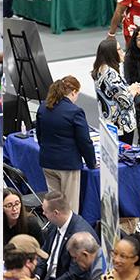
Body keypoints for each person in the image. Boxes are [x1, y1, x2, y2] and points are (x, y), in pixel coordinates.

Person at [36, 76, 96, 214]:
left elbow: (39, 135)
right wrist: (91, 162)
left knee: (54, 205)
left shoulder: (43, 107)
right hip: (67, 165)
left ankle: (55, 232)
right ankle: (70, 234)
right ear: (73, 92)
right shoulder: (75, 111)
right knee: (70, 208)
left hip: (47, 162)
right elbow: (85, 142)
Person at [33, 191, 99, 280]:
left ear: (56, 213)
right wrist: (36, 277)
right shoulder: (54, 224)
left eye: (45, 211)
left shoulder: (79, 236)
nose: (43, 214)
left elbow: (74, 276)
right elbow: (43, 253)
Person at [92, 38, 140, 144]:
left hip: (109, 124)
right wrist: (134, 91)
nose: (122, 52)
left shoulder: (100, 70)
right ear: (111, 54)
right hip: (120, 127)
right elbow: (126, 101)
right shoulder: (111, 74)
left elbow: (113, 93)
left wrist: (129, 88)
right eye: (119, 49)